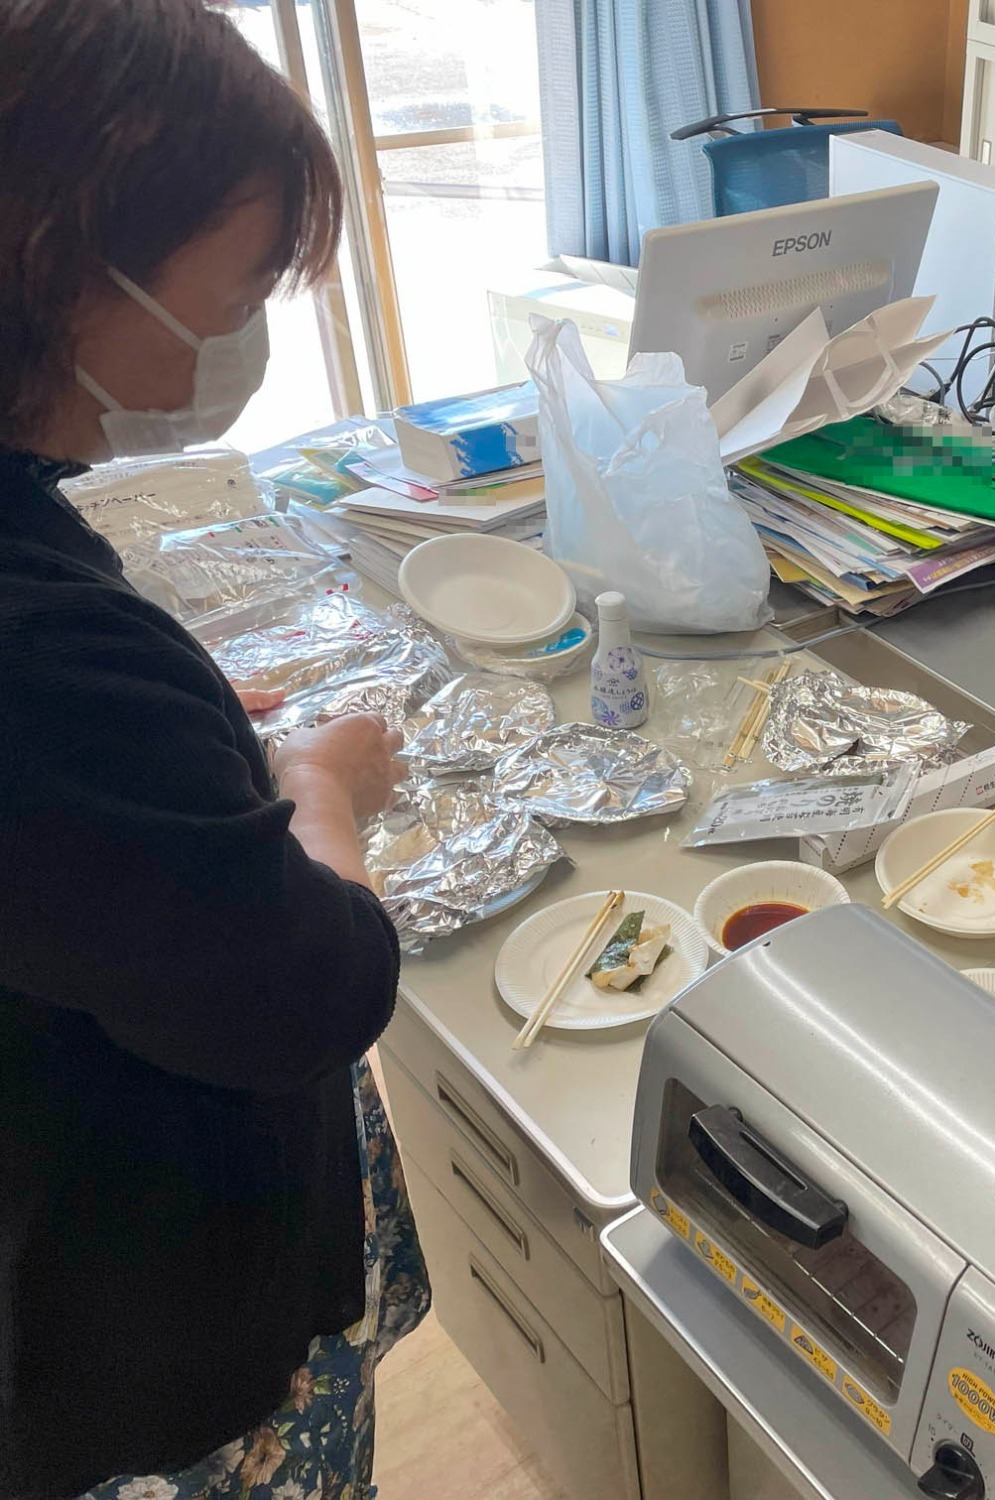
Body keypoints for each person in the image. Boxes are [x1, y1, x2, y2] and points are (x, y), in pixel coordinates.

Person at [0, 3, 430, 1496]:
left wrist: (169, 764)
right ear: (61, 266)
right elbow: (309, 989)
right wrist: (318, 787)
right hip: (133, 1330)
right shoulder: (38, 661)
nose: (254, 330)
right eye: (246, 286)